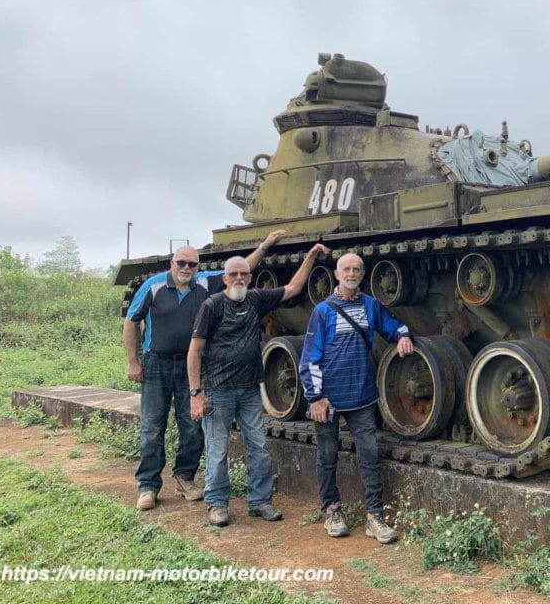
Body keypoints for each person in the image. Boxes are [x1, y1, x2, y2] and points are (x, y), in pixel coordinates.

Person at [124, 230, 285, 511]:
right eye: (181, 263)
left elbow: (239, 271)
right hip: (158, 363)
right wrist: (133, 361)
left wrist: (265, 245)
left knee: (192, 425)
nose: (186, 268)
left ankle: (184, 478)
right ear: (172, 264)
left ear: (198, 267)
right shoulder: (153, 285)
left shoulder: (204, 282)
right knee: (152, 425)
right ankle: (148, 485)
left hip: (192, 366)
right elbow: (131, 321)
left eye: (192, 264)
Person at [188, 244, 329, 527]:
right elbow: (195, 350)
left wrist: (310, 257)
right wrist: (196, 393)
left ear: (250, 277)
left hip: (250, 389)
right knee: (217, 449)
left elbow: (292, 289)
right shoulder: (212, 306)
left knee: (259, 447)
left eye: (244, 274)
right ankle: (217, 503)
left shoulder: (254, 299)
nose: (239, 278)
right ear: (225, 279)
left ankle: (260, 501)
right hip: (218, 390)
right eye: (233, 274)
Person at [299, 251, 414, 544]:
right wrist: (315, 397)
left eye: (356, 270)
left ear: (362, 275)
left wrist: (403, 336)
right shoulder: (323, 311)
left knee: (370, 454)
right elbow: (309, 358)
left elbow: (393, 326)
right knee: (327, 456)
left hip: (362, 395)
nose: (351, 274)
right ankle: (331, 510)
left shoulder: (370, 305)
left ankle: (374, 516)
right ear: (336, 275)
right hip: (328, 399)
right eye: (346, 269)